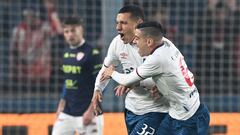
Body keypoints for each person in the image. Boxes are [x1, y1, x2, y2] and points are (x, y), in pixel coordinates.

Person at [101, 21, 210, 135]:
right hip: (176, 114)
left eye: (137, 38)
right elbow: (171, 75)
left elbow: (127, 80)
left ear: (149, 41)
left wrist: (112, 73)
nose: (134, 41)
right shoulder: (167, 44)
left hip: (190, 119)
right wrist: (159, 86)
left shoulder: (157, 59)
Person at [91, 5, 169, 135]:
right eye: (117, 22)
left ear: (138, 23)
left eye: (124, 23)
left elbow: (173, 77)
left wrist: (132, 81)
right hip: (132, 110)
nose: (118, 27)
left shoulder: (159, 45)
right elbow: (106, 70)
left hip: (156, 109)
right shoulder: (117, 43)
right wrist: (97, 89)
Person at [51, 17, 103, 135]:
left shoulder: (92, 53)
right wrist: (61, 105)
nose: (70, 34)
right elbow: (67, 81)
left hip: (89, 112)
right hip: (68, 112)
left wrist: (91, 111)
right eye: (66, 31)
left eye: (73, 30)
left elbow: (101, 85)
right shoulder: (65, 54)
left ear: (81, 30)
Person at [8, 0, 62, 91]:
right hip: (24, 77)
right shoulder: (17, 31)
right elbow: (13, 53)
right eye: (27, 16)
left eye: (33, 16)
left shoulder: (45, 27)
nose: (30, 18)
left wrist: (51, 10)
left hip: (43, 76)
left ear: (37, 16)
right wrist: (12, 73)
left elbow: (59, 30)